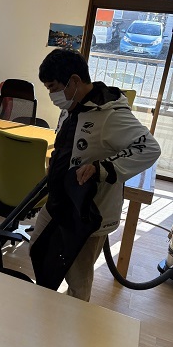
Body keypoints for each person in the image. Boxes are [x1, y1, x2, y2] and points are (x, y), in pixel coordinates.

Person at [30, 48, 161, 301]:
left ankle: (75, 321)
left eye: (53, 87)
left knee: (78, 278)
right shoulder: (72, 106)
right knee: (39, 250)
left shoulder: (110, 115)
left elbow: (149, 148)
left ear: (74, 81)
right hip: (59, 201)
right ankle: (46, 310)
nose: (51, 95)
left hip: (87, 212)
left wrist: (103, 168)